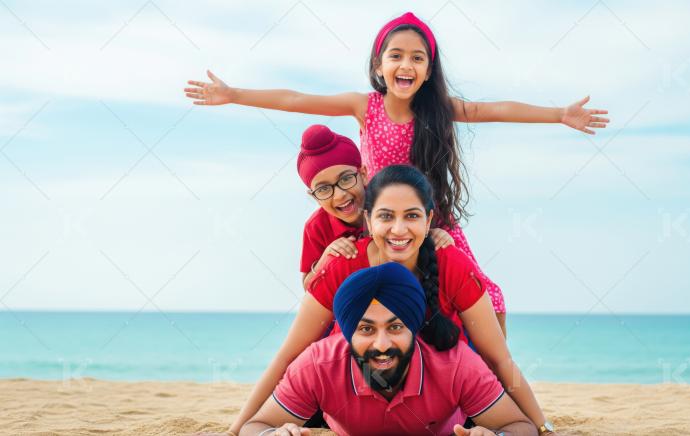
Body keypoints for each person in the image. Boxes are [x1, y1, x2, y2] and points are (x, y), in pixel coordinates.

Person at [184, 11, 611, 334]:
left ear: (428, 70)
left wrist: (559, 114)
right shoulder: (363, 106)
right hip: (381, 224)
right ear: (379, 64)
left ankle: (496, 380)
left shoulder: (439, 111)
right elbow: (296, 98)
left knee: (490, 295)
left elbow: (495, 109)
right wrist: (233, 94)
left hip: (431, 220)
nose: (406, 65)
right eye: (396, 56)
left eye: (417, 58)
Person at [225, 165, 557, 435]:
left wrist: (541, 428)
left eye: (412, 216)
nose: (399, 229)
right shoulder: (343, 266)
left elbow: (499, 358)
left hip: (440, 394)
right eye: (386, 217)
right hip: (357, 391)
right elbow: (289, 354)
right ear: (368, 220)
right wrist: (236, 429)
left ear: (429, 221)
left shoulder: (450, 264)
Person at [240, 262, 536, 436]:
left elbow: (521, 425)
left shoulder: (457, 363)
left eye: (395, 328)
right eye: (366, 329)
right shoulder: (317, 365)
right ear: (346, 332)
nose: (381, 345)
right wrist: (272, 433)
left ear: (415, 328)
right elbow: (255, 426)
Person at [296, 124, 453, 290]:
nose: (339, 195)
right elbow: (308, 286)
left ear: (363, 174)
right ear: (314, 196)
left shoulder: (391, 198)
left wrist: (440, 235)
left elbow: (437, 225)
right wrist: (324, 261)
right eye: (323, 189)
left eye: (346, 179)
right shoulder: (316, 227)